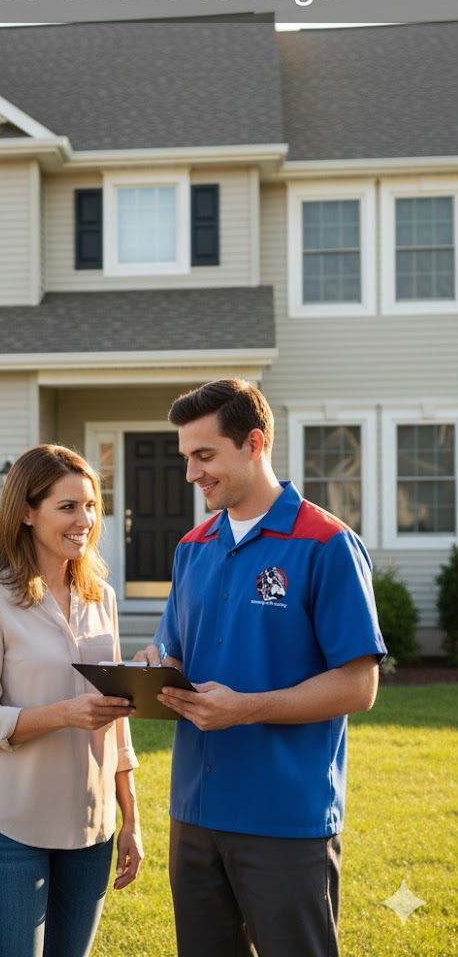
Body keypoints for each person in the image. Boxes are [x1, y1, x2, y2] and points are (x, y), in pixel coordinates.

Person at [134, 379, 386, 957]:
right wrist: (153, 667)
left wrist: (247, 708)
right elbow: (175, 651)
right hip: (194, 813)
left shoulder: (326, 544)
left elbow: (360, 684)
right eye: (186, 458)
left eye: (205, 456)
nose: (193, 473)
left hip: (284, 819)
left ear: (254, 443)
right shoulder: (192, 547)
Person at [0, 444, 143, 957]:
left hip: (93, 829)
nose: (83, 520)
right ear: (25, 512)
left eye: (90, 507)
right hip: (11, 829)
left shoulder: (99, 597)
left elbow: (118, 719)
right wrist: (64, 715)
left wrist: (130, 818)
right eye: (67, 507)